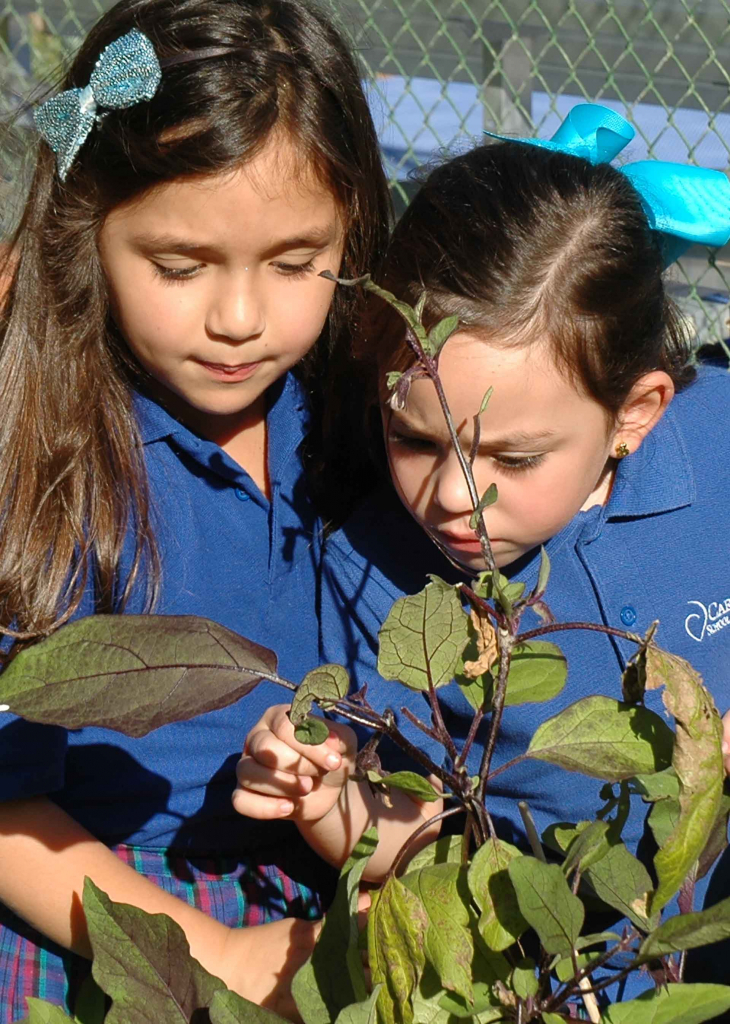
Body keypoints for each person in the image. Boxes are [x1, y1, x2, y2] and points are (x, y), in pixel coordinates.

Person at [237, 105, 730, 999]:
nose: (455, 494)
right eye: (416, 440)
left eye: (516, 458)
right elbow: (422, 834)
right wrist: (331, 804)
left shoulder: (721, 441)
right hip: (559, 978)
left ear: (635, 415)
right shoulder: (367, 573)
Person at [0, 0, 393, 1018]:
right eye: (180, 267)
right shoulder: (48, 453)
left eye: (298, 262)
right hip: (105, 917)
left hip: (321, 882)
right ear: (89, 233)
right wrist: (207, 948)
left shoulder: (369, 423)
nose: (239, 318)